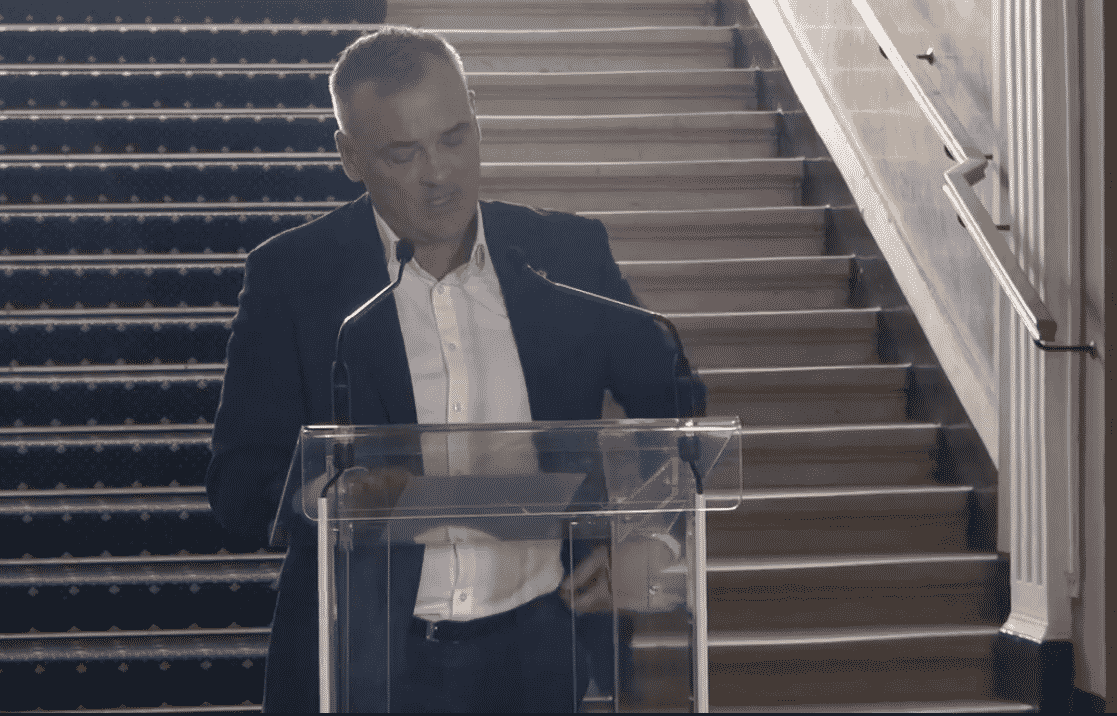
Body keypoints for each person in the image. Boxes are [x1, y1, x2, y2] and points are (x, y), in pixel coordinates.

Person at [205, 25, 705, 713]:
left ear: (476, 116)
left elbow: (675, 405)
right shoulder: (293, 278)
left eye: (454, 138)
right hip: (367, 660)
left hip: (545, 643)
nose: (439, 175)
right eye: (403, 153)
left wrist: (651, 536)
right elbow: (238, 483)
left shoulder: (565, 255)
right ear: (349, 156)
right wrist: (326, 495)